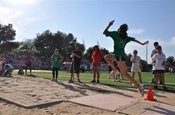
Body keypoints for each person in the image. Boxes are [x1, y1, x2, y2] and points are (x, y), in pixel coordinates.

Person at [103, 20, 149, 97]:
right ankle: (115, 70)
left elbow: (104, 32)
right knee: (106, 57)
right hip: (119, 56)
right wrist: (142, 43)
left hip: (119, 56)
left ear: (119, 29)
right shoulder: (126, 37)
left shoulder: (116, 34)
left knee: (125, 74)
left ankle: (139, 86)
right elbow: (134, 40)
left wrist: (109, 24)